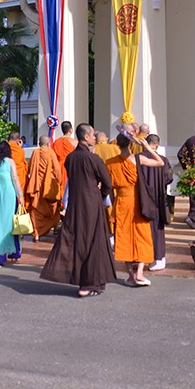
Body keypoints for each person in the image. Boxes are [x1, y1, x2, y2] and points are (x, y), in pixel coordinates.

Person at [40, 124, 115, 297]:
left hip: (75, 205)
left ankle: (83, 281)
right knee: (94, 242)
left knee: (78, 240)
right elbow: (108, 183)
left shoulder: (70, 158)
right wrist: (100, 194)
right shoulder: (93, 159)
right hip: (92, 205)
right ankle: (90, 283)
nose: (95, 138)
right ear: (86, 137)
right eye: (93, 135)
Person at [106, 133, 166, 287]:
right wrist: (147, 147)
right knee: (143, 236)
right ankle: (140, 273)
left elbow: (107, 185)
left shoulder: (111, 163)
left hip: (121, 203)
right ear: (131, 145)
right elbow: (160, 163)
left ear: (117, 145)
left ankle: (131, 276)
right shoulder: (138, 159)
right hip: (138, 203)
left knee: (124, 238)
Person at [139, 134, 173, 271]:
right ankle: (158, 258)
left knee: (144, 228)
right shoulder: (162, 160)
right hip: (158, 198)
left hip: (143, 198)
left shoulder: (138, 158)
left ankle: (143, 258)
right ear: (157, 145)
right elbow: (169, 178)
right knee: (158, 229)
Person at [24, 135, 63, 241]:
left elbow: (31, 168)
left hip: (37, 185)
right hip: (49, 186)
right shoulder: (51, 152)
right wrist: (60, 181)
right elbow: (57, 170)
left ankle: (36, 234)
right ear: (49, 143)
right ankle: (54, 227)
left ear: (39, 143)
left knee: (36, 208)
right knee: (52, 208)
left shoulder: (36, 152)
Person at [0, 140, 24, 264]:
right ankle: (11, 251)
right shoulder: (10, 162)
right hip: (9, 194)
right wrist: (20, 195)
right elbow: (15, 178)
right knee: (9, 222)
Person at [92, 131, 120, 236]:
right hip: (113, 184)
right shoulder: (114, 148)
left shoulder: (93, 149)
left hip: (97, 185)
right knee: (111, 208)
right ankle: (112, 232)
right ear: (106, 139)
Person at [8, 131, 29, 202]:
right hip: (18, 176)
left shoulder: (5, 148)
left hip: (7, 176)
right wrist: (20, 148)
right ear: (18, 141)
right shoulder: (20, 151)